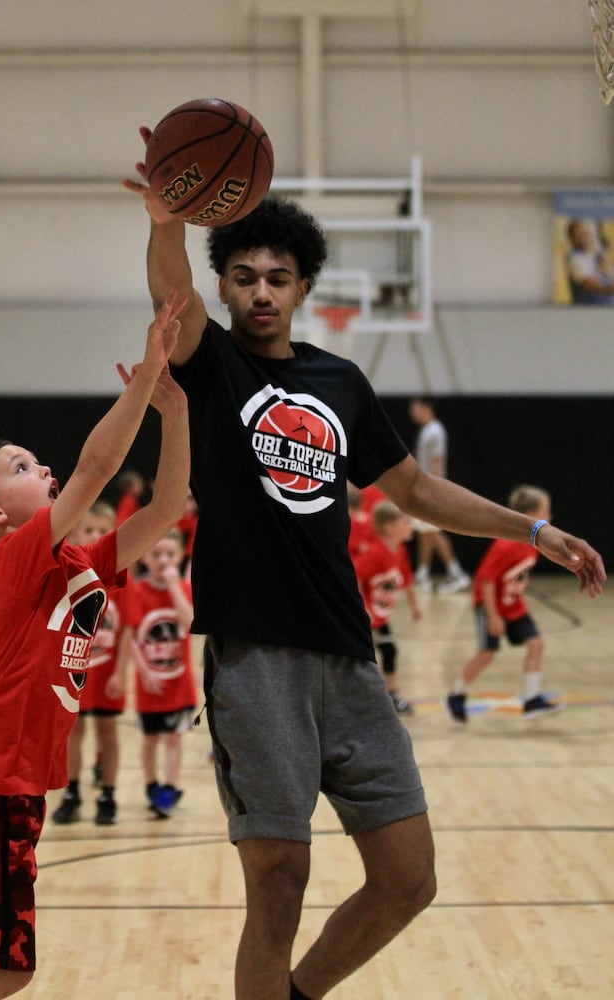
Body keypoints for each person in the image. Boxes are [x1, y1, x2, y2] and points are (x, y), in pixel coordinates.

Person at [126, 147, 605, 1000]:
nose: (261, 291)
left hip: (349, 657)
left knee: (406, 877)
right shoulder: (214, 368)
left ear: (304, 287)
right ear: (226, 288)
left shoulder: (338, 382)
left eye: (278, 277)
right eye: (244, 277)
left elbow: (414, 489)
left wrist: (530, 528)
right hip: (254, 658)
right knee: (277, 882)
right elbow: (172, 296)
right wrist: (167, 214)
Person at [0, 293, 190, 1000]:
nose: (44, 470)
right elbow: (97, 467)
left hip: (9, 785)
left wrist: (176, 411)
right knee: (11, 970)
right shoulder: (10, 559)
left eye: (38, 461)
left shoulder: (80, 566)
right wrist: (144, 370)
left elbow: (165, 508)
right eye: (22, 466)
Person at [51, 500, 138, 826]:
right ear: (75, 532)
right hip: (74, 669)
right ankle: (71, 793)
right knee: (73, 733)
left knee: (108, 733)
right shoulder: (69, 575)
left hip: (106, 674)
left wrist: (120, 671)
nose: (97, 536)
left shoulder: (119, 574)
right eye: (90, 530)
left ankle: (108, 794)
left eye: (104, 531)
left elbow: (128, 627)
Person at [446, 484, 563, 722]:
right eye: (545, 511)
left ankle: (531, 701)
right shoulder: (506, 544)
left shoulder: (534, 544)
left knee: (536, 644)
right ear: (530, 515)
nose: (550, 517)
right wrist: (492, 615)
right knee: (486, 654)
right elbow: (486, 580)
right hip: (490, 605)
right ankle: (456, 695)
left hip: (513, 604)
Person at [131, 527, 197, 819]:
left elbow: (190, 623)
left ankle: (170, 787)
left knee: (174, 738)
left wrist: (174, 587)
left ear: (181, 556)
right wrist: (142, 668)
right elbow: (130, 635)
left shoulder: (183, 589)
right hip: (150, 683)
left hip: (180, 683)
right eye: (156, 554)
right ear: (144, 556)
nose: (163, 561)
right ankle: (151, 785)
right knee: (150, 739)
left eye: (170, 555)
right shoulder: (136, 591)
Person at [353, 500, 422, 715]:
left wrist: (414, 606)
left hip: (380, 616)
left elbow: (407, 578)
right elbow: (354, 575)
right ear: (389, 526)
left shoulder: (399, 550)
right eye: (405, 521)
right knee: (368, 657)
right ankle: (371, 698)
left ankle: (389, 696)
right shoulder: (375, 553)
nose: (410, 525)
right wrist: (363, 609)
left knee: (388, 651)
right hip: (366, 617)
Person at [408, 396, 471, 594]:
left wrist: (432, 489)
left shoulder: (435, 431)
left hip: (431, 490)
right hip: (425, 488)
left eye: (415, 408)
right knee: (425, 532)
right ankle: (423, 574)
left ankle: (456, 573)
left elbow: (437, 462)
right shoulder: (427, 430)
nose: (412, 413)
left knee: (433, 532)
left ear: (426, 407)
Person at [565, 218, 614, 304]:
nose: (582, 236)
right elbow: (595, 288)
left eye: (584, 232)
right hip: (591, 312)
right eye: (578, 234)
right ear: (571, 238)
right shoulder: (575, 259)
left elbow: (609, 275)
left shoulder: (595, 255)